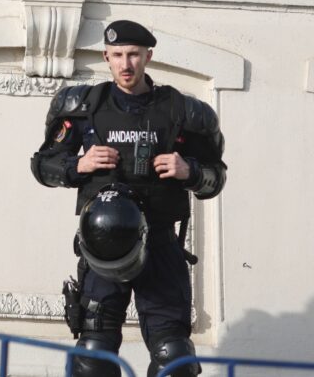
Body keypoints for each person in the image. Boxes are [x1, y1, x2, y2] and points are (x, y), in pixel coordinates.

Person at [30, 20, 227, 377]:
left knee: (175, 357)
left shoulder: (183, 112)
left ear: (148, 56)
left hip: (161, 244)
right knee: (94, 358)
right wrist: (79, 164)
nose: (126, 64)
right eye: (117, 55)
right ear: (106, 57)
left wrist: (191, 171)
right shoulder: (83, 105)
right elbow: (43, 165)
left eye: (134, 55)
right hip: (102, 248)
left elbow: (216, 177)